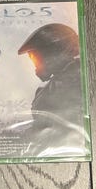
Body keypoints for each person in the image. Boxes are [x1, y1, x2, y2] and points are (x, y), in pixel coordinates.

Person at [18, 23, 85, 155]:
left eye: (35, 57)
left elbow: (63, 129)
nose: (35, 64)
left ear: (54, 53)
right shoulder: (56, 84)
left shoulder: (74, 82)